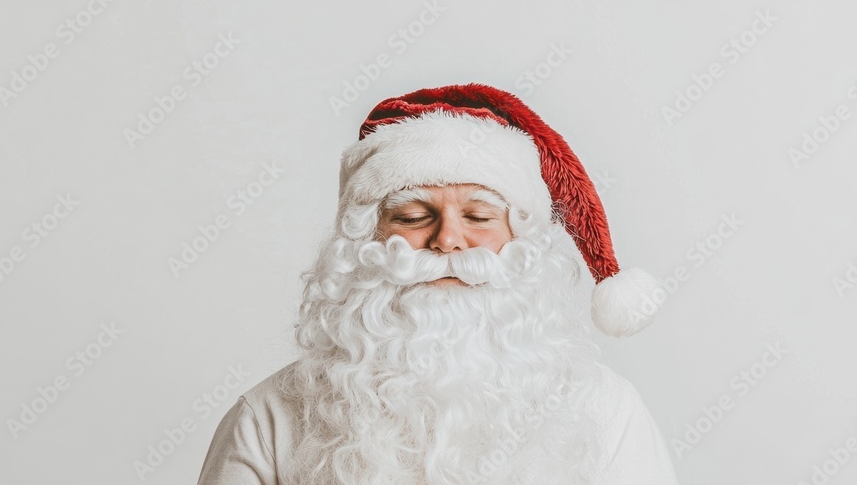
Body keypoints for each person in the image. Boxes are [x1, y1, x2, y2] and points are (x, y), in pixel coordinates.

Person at [196, 84, 677, 484]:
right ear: (366, 238)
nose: (448, 241)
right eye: (411, 215)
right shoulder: (267, 419)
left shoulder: (605, 409)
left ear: (521, 241)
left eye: (478, 215)